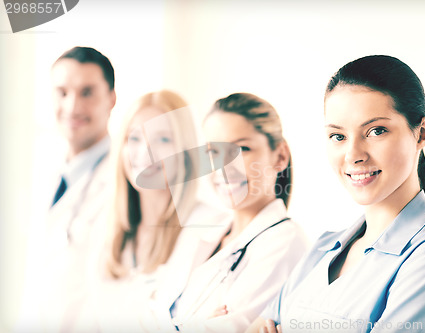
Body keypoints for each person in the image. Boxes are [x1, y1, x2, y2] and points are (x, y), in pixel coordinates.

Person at [249, 55, 425, 333]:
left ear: (422, 133)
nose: (353, 155)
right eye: (338, 136)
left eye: (375, 131)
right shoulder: (323, 248)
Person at [140, 93, 310, 333]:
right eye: (213, 152)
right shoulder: (203, 228)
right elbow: (147, 312)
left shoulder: (284, 244)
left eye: (242, 148)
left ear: (280, 155)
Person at [79, 89, 227, 332]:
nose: (145, 152)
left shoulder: (211, 229)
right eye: (134, 138)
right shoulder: (104, 231)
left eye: (163, 140)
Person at [17, 46, 116, 333]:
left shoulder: (125, 184)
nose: (72, 107)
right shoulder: (46, 170)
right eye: (62, 92)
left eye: (87, 92)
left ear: (111, 99)